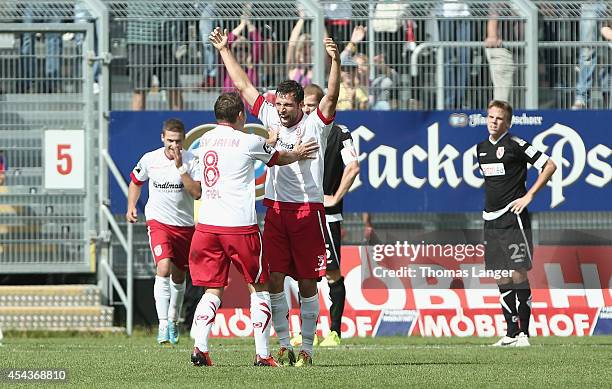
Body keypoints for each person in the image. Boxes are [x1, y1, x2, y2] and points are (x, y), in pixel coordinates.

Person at [209, 27, 341, 366]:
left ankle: (308, 348)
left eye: (287, 105)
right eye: (278, 104)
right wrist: (225, 50)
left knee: (309, 281)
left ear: (300, 105)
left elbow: (331, 98)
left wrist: (335, 62)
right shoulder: (269, 117)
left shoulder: (315, 125)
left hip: (308, 211)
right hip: (277, 211)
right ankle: (284, 344)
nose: (281, 110)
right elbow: (243, 86)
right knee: (274, 279)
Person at [188, 92, 320, 367]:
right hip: (238, 227)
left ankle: (200, 347)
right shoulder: (249, 141)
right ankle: (262, 354)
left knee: (212, 289)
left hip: (207, 227)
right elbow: (278, 158)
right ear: (239, 116)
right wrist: (296, 153)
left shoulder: (206, 140)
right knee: (259, 287)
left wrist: (269, 142)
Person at [477, 100, 556, 347]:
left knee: (516, 272)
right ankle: (510, 333)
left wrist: (529, 195)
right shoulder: (480, 149)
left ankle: (524, 333)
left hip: (513, 218)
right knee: (500, 275)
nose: (494, 122)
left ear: (508, 122)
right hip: (490, 219)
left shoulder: (516, 144)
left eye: (499, 118)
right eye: (490, 117)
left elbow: (549, 164)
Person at [290, 84, 359, 347]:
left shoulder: (340, 133)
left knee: (331, 272)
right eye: (304, 105)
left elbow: (352, 167)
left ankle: (334, 332)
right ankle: (308, 331)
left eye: (311, 105)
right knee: (303, 274)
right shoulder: (297, 132)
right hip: (302, 213)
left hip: (327, 216)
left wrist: (336, 197)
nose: (307, 109)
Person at [126, 118, 202, 345]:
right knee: (164, 266)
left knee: (179, 276)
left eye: (178, 141)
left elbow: (196, 193)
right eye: (170, 141)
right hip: (158, 222)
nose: (173, 146)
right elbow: (135, 181)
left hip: (184, 226)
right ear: (162, 138)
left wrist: (181, 168)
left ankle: (173, 320)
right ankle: (162, 324)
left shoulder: (192, 160)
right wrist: (131, 206)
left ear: (184, 139)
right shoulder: (150, 159)